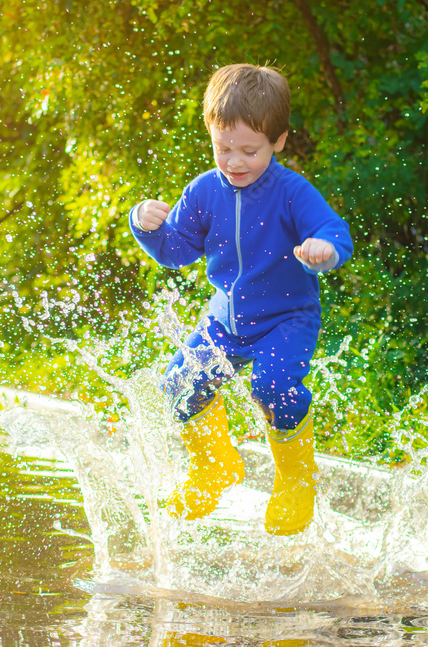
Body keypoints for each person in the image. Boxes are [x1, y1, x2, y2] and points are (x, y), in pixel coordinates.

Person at [129, 63, 353, 535]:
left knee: (273, 387)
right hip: (226, 323)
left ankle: (295, 477)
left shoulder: (293, 192)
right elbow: (176, 251)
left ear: (279, 141)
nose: (234, 162)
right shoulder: (204, 191)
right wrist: (145, 227)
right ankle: (215, 466)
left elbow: (333, 231)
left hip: (287, 319)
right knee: (180, 383)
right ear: (210, 133)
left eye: (249, 151)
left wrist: (325, 249)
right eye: (222, 148)